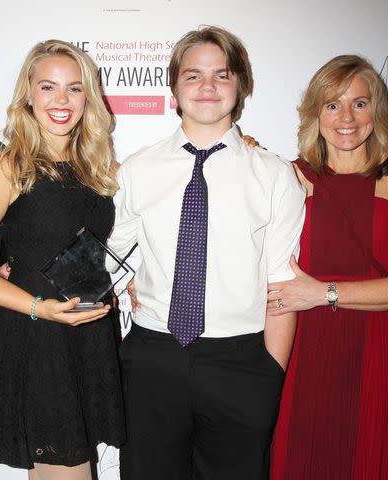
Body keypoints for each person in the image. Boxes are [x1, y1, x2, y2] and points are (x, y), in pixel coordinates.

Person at [107, 26, 305, 479]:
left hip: (241, 362)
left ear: (242, 85)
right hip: (152, 357)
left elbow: (282, 283)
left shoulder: (274, 176)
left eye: (222, 74)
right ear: (174, 86)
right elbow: (106, 255)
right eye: (193, 76)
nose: (208, 87)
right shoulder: (138, 169)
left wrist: (269, 376)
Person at [268, 55, 388, 479]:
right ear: (315, 114)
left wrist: (324, 292)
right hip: (300, 347)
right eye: (332, 105)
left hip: (374, 347)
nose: (346, 117)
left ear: (376, 112)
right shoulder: (288, 178)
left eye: (359, 104)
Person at [0, 40, 125, 480]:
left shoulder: (96, 165)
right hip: (36, 337)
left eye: (74, 89)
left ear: (88, 97)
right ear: (28, 94)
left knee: (74, 467)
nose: (61, 100)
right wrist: (39, 307)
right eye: (48, 87)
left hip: (86, 335)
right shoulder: (8, 166)